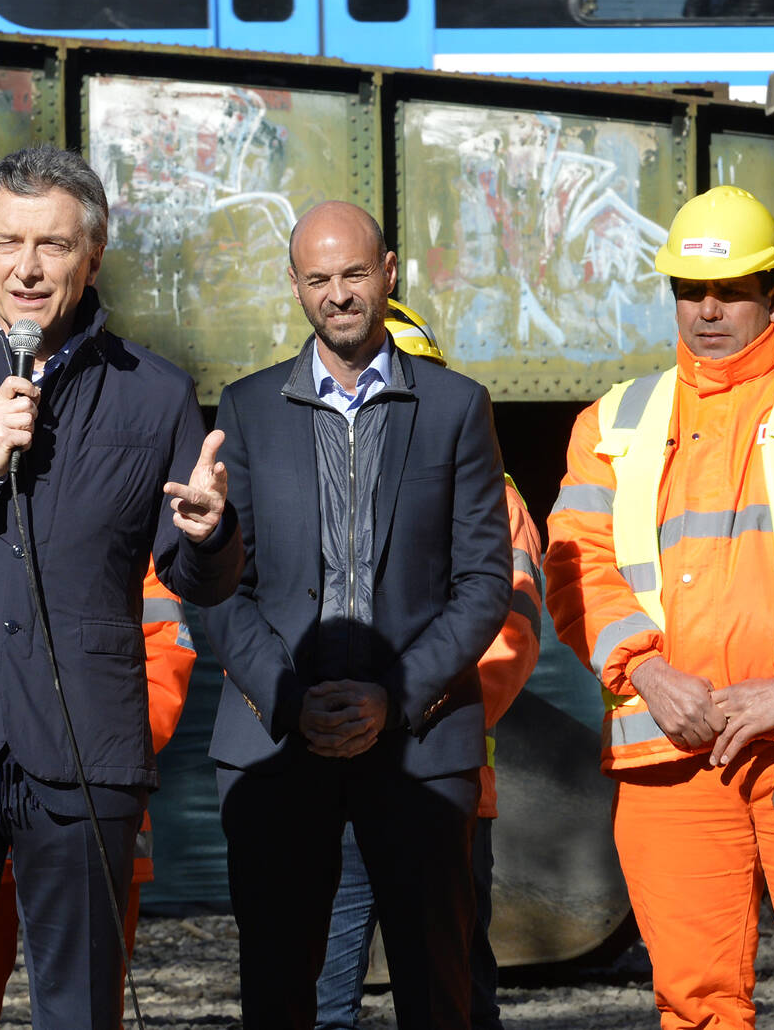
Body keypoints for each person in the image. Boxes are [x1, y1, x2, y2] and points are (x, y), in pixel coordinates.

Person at [0, 145, 242, 1030]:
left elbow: (192, 580)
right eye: (9, 242)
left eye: (54, 245)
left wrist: (212, 536)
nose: (28, 268)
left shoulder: (157, 395)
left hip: (81, 746)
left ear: (91, 256)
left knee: (82, 1011)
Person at [545, 185, 774, 1030]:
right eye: (689, 290)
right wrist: (644, 673)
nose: (706, 309)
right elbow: (576, 570)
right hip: (670, 745)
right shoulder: (612, 421)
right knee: (695, 1005)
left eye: (730, 290)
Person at [205, 202, 512, 1030]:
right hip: (278, 742)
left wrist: (396, 694)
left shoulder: (455, 407)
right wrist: (288, 695)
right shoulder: (246, 409)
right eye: (318, 279)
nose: (337, 295)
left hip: (418, 739)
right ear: (296, 288)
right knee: (278, 994)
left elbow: (485, 581)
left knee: (439, 991)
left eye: (352, 274)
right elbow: (221, 590)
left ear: (389, 272)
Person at [314, 301, 542, 1030]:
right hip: (327, 778)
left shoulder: (494, 498)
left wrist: (401, 709)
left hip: (441, 782)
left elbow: (508, 639)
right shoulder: (317, 479)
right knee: (319, 994)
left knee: (451, 994)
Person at [0, 561, 196, 1030]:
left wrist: (105, 760)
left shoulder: (123, 512)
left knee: (85, 1008)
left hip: (92, 806)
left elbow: (165, 648)